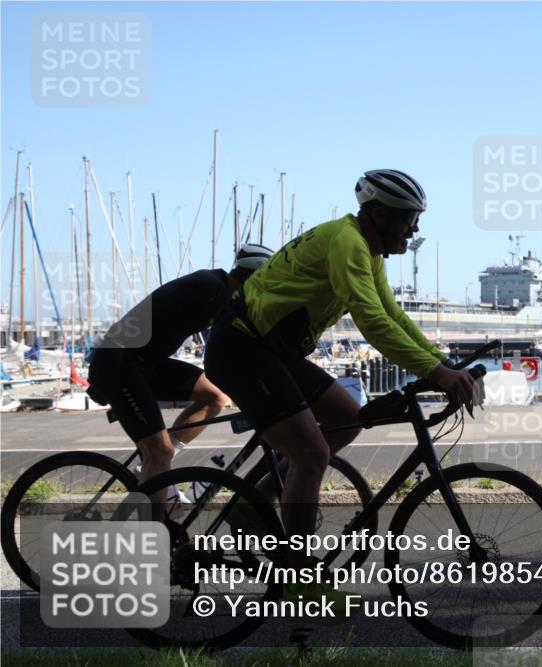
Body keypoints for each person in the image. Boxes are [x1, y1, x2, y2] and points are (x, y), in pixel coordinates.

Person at [204, 169, 479, 576]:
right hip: (243, 346)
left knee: (348, 418)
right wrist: (438, 374)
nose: (415, 227)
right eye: (408, 217)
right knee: (311, 453)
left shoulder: (366, 250)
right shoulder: (347, 243)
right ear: (379, 214)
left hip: (273, 350)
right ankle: (300, 578)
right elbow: (374, 325)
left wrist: (442, 364)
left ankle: (255, 501)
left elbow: (393, 315)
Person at [86, 244, 274, 503]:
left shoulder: (218, 286)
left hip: (142, 363)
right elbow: (229, 351)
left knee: (214, 397)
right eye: (262, 282)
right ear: (251, 276)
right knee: (158, 454)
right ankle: (153, 532)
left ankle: (158, 468)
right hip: (119, 363)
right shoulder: (213, 291)